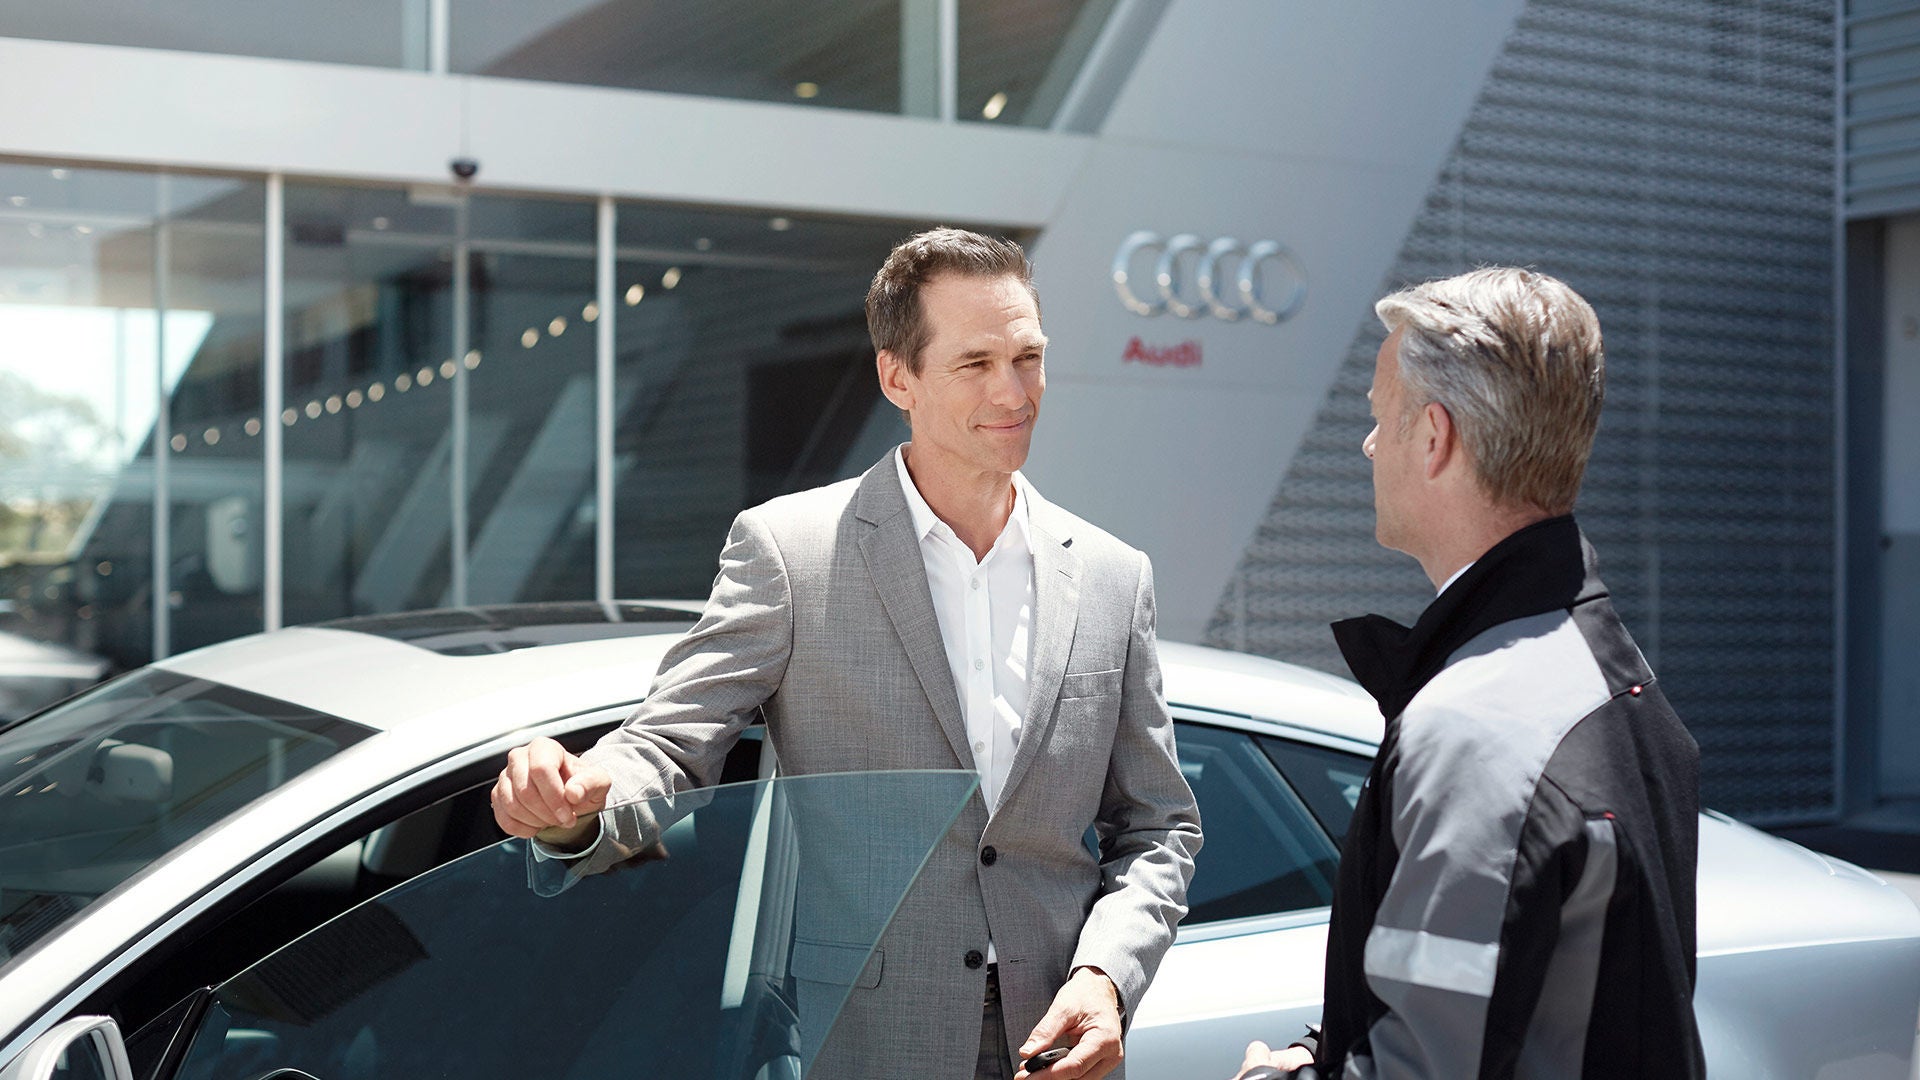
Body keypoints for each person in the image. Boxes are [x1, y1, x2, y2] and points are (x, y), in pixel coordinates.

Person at [492, 227, 1202, 1080]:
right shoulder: (791, 551)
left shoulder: (1115, 577)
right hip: (863, 1046)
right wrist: (582, 800)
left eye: (1028, 357)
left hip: (1057, 1044)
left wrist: (1107, 976)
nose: (1014, 391)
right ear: (897, 376)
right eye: (975, 364)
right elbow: (668, 746)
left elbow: (1159, 825)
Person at [1236, 268, 1704, 1079]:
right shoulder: (1613, 677)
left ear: (1434, 437)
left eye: (1381, 415)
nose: (1369, 442)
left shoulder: (1476, 728)